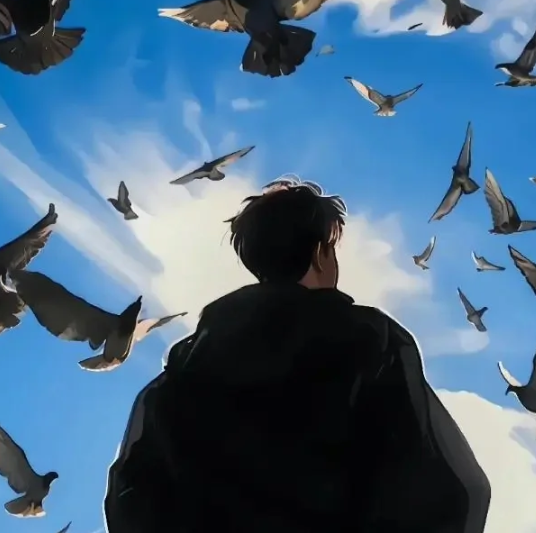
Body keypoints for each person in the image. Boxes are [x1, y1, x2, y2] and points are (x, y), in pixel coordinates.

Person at [102, 176, 491, 533]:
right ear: (321, 254)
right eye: (332, 249)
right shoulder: (372, 342)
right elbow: (453, 486)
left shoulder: (186, 367)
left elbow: (131, 494)